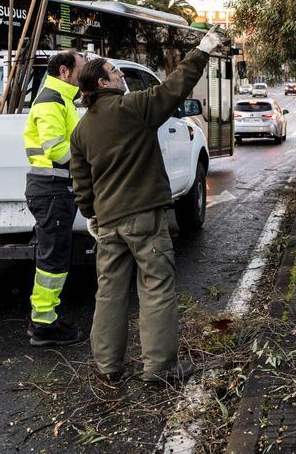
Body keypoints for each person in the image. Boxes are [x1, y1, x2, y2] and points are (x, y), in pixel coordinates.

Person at [70, 26, 224, 383]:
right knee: (155, 287)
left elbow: (82, 181)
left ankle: (108, 366)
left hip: (108, 223)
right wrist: (201, 50)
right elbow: (174, 88)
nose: (121, 73)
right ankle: (159, 367)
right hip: (143, 218)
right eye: (114, 71)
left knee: (109, 292)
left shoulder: (81, 130)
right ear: (102, 84)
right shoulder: (132, 108)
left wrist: (91, 214)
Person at [23, 49, 87, 346]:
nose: (83, 74)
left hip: (53, 188)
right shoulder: (52, 100)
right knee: (53, 258)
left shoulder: (61, 99)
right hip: (52, 188)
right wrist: (88, 163)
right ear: (64, 71)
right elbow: (56, 149)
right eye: (81, 68)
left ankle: (45, 318)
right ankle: (44, 325)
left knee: (54, 255)